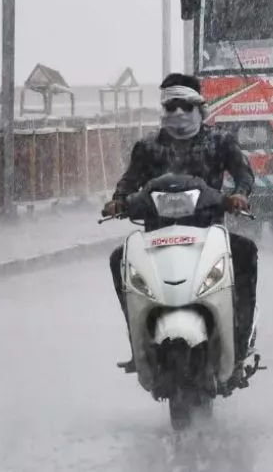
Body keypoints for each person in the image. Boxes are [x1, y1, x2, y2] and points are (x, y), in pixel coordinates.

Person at [104, 73, 259, 373]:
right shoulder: (148, 147)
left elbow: (244, 174)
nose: (178, 114)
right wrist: (118, 200)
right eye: (171, 106)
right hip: (156, 237)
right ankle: (138, 343)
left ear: (199, 108)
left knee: (246, 253)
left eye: (185, 106)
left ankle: (240, 340)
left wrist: (239, 194)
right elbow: (129, 181)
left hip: (208, 234)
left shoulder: (220, 142)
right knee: (118, 259)